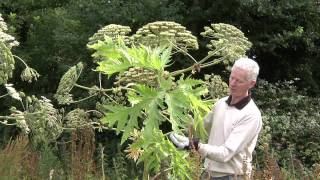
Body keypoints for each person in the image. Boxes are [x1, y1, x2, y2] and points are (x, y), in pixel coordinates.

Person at [169, 57, 262, 180]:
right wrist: (181, 122)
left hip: (233, 176)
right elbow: (200, 130)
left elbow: (225, 154)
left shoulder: (250, 115)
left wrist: (195, 145)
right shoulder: (221, 103)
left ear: (251, 84)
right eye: (231, 77)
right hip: (208, 173)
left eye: (238, 81)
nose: (232, 84)